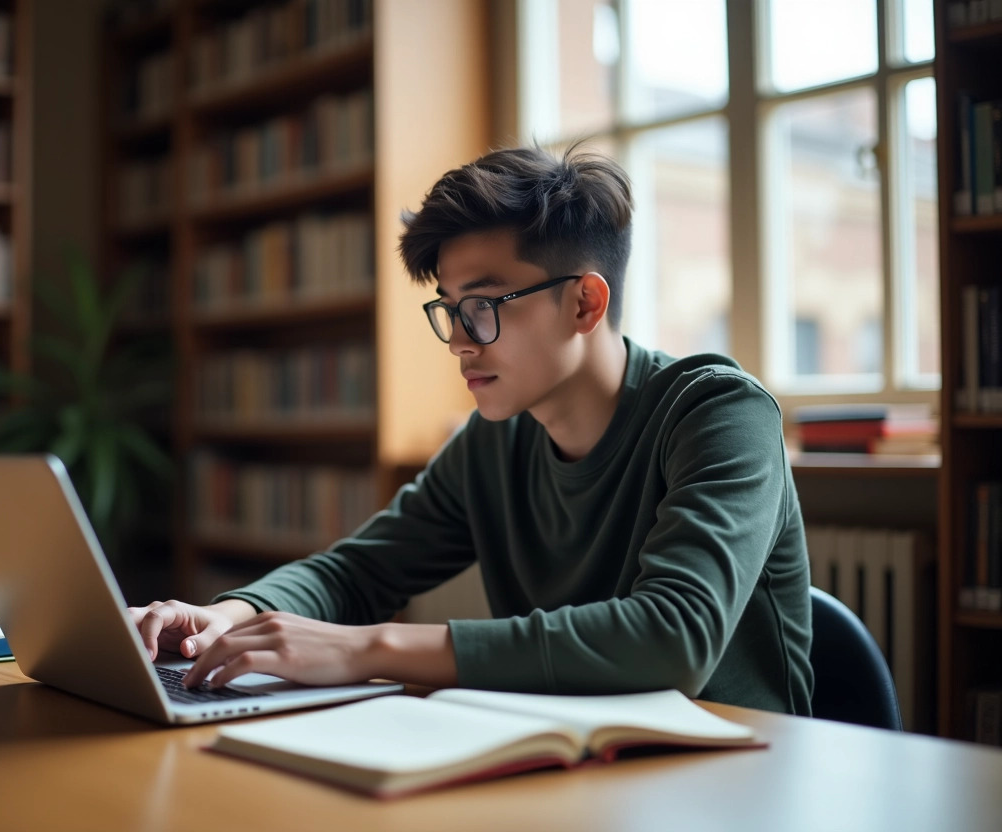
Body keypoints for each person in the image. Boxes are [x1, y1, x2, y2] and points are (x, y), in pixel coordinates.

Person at [130, 145, 814, 715]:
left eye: (482, 306)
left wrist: (370, 649)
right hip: (580, 770)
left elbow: (675, 639)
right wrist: (236, 615)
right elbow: (360, 570)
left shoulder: (720, 413)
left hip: (741, 776)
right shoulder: (498, 439)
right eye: (449, 309)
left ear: (584, 301)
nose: (458, 340)